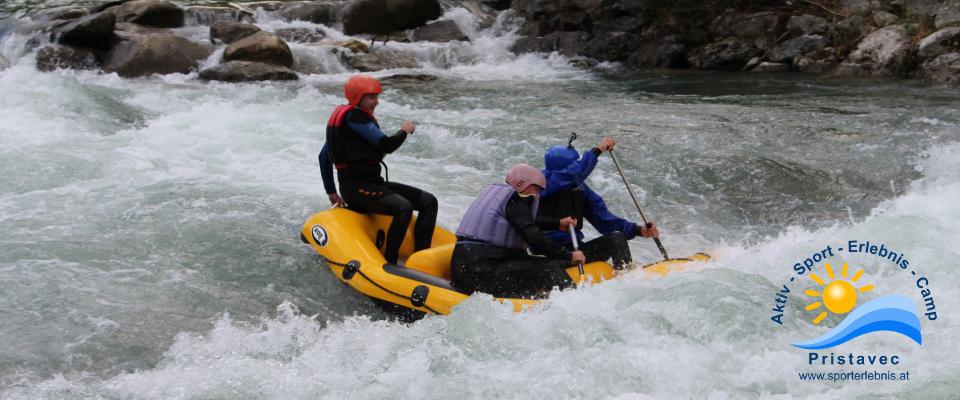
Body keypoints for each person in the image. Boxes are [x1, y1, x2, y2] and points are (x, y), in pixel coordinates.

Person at [318, 75, 438, 264]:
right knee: (403, 208)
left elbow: (323, 156)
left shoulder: (348, 124)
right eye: (371, 97)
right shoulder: (354, 117)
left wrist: (331, 191)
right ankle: (390, 263)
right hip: (356, 189)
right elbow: (386, 145)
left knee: (429, 202)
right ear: (357, 96)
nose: (376, 102)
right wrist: (404, 130)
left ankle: (422, 258)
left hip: (373, 185)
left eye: (376, 96)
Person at [450, 163, 586, 298]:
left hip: (467, 267)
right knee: (549, 268)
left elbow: (523, 220)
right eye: (536, 188)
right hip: (479, 271)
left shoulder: (502, 196)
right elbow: (533, 236)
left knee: (542, 264)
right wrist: (569, 255)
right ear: (523, 184)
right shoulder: (515, 201)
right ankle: (574, 302)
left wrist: (557, 223)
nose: (537, 194)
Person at [537, 136, 659, 269]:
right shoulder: (541, 185)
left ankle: (625, 275)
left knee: (616, 239)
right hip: (548, 255)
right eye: (574, 166)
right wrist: (598, 150)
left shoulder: (579, 189)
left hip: (576, 250)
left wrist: (638, 230)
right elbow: (572, 174)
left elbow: (604, 219)